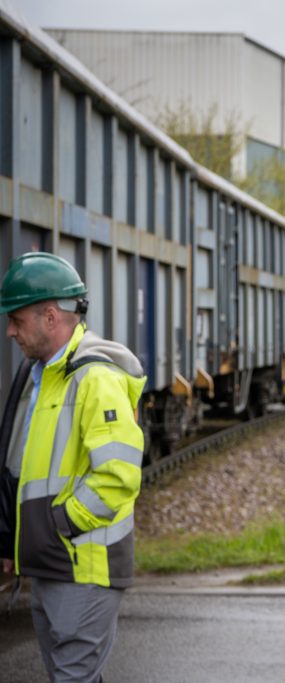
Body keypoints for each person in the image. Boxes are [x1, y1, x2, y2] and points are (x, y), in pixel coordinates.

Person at [0, 252, 146, 683]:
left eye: (16, 319)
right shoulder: (45, 376)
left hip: (83, 566)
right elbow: (25, 468)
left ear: (49, 316)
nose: (9, 331)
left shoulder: (94, 379)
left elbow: (117, 476)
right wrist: (17, 538)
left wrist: (57, 524)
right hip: (52, 562)